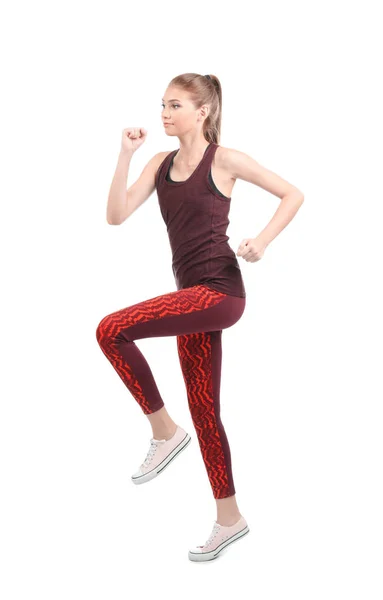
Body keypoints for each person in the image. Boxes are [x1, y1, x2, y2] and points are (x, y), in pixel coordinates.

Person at [96, 72, 304, 562]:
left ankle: (164, 432)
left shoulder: (225, 159)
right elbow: (115, 214)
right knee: (205, 410)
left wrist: (261, 242)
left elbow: (293, 193)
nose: (164, 113)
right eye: (162, 105)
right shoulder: (158, 162)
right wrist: (124, 155)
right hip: (189, 298)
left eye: (174, 105)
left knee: (111, 328)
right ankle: (229, 518)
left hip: (220, 292)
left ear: (201, 111)